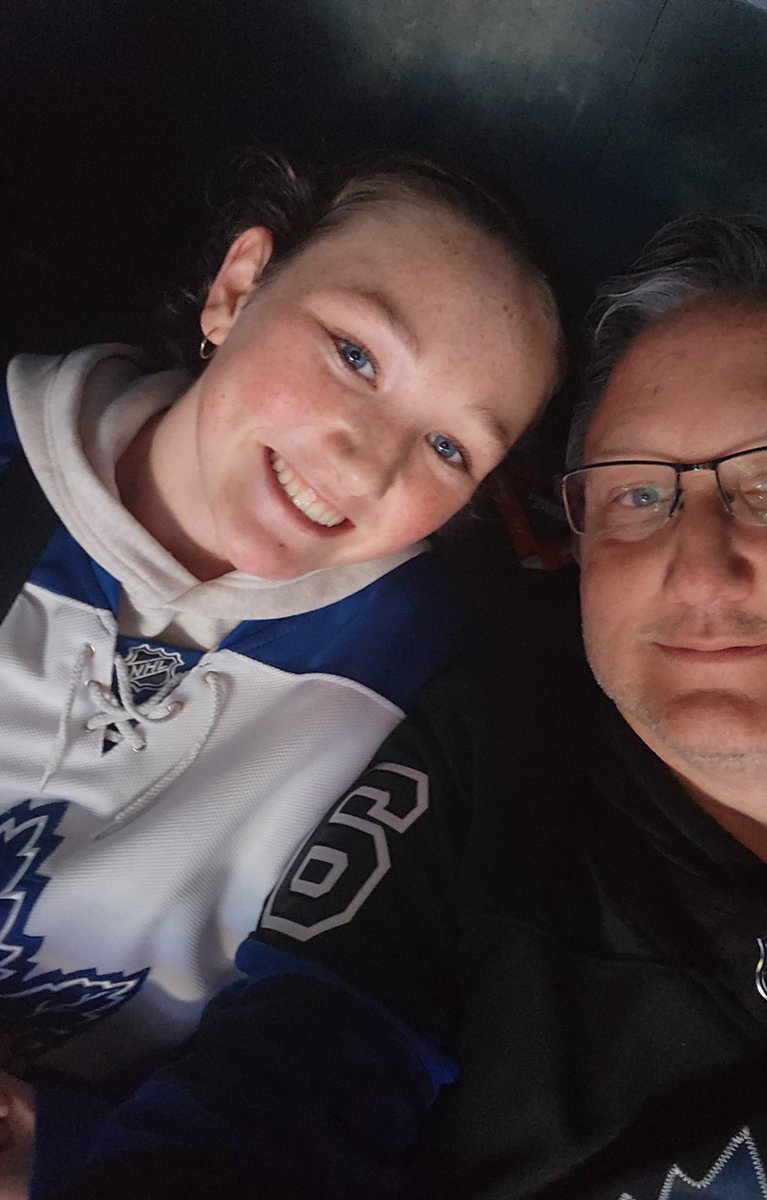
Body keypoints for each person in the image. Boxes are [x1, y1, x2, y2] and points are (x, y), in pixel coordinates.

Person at [28, 213, 767, 1200]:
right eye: (635, 498)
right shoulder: (492, 768)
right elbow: (271, 1094)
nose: (695, 571)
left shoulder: (419, 654)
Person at [0, 150, 563, 1193]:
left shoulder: (435, 690)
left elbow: (348, 1033)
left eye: (448, 446)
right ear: (239, 286)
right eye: (354, 353)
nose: (364, 463)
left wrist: (59, 1150)